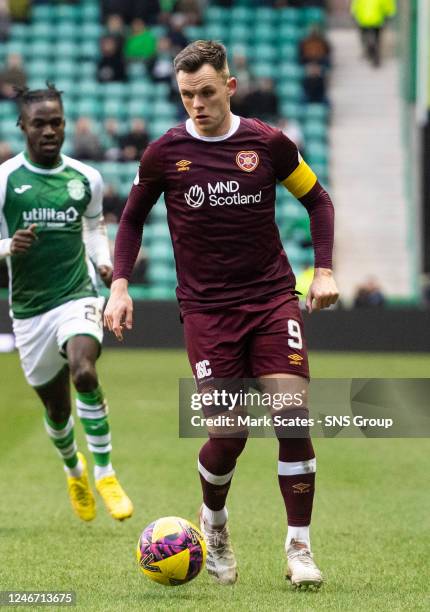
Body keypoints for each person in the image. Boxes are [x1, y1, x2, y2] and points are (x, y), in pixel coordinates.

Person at [104, 41, 338, 588]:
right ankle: (214, 523)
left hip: (271, 299)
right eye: (187, 95)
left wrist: (322, 269)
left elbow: (317, 200)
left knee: (291, 414)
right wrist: (119, 286)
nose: (196, 104)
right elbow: (132, 220)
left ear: (229, 87)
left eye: (207, 92)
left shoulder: (267, 143)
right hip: (207, 311)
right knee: (229, 435)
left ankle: (299, 548)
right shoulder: (164, 153)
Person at [0, 85, 133, 523]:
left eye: (56, 121)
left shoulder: (85, 179)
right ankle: (73, 468)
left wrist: (104, 263)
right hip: (29, 312)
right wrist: (6, 246)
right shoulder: (6, 181)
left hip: (77, 295)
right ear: (23, 127)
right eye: (39, 123)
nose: (50, 130)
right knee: (56, 410)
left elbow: (94, 229)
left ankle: (106, 473)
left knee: (84, 369)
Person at [351, 0, 397, 67]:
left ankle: (370, 51)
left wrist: (353, 13)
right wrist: (389, 13)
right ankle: (375, 56)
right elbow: (388, 4)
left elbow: (355, 3)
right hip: (377, 18)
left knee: (365, 37)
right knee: (376, 39)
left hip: (363, 17)